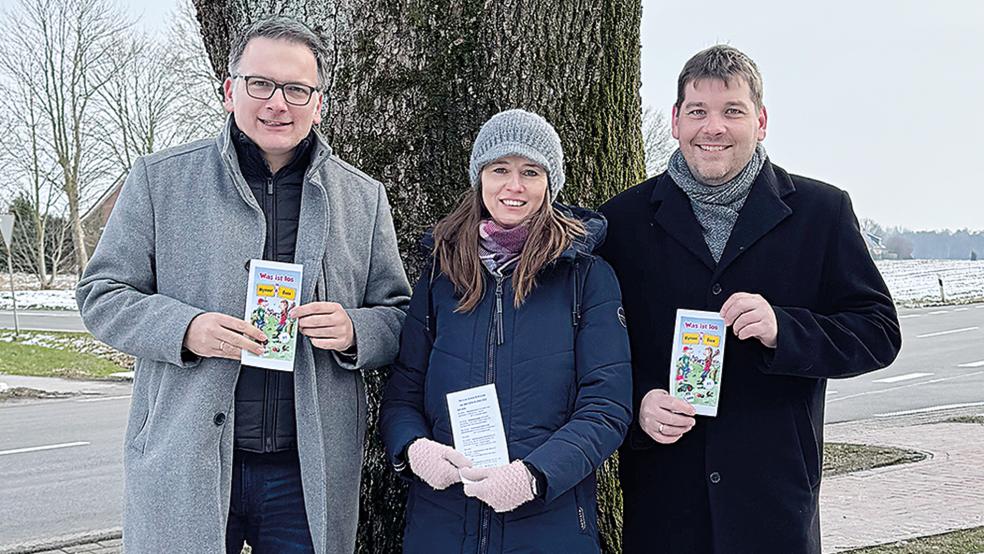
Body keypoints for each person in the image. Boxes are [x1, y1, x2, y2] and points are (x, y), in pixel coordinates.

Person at [76, 16, 411, 554]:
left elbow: (398, 315)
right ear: (231, 90)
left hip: (307, 474)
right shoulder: (160, 179)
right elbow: (102, 294)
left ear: (318, 104)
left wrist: (355, 330)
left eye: (296, 89)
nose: (278, 103)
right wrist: (186, 329)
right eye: (261, 84)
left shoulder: (362, 197)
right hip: (188, 459)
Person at [598, 45, 902, 553]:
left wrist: (786, 329)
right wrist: (638, 404)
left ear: (760, 122)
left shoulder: (821, 212)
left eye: (732, 111)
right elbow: (596, 351)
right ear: (675, 121)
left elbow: (878, 333)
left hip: (774, 504)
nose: (713, 127)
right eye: (698, 111)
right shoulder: (623, 222)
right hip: (664, 504)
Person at [380, 109, 632, 553]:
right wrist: (413, 448)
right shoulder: (440, 275)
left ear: (550, 184)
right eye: (500, 169)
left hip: (548, 524)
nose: (513, 186)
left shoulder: (586, 278)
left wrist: (534, 476)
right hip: (442, 524)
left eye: (530, 172)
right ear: (480, 177)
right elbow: (403, 392)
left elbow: (606, 407)